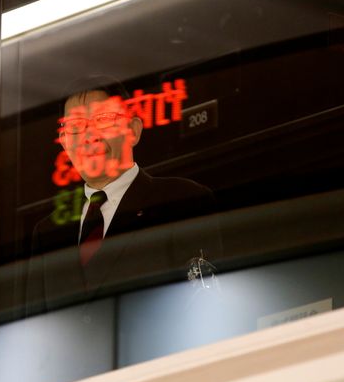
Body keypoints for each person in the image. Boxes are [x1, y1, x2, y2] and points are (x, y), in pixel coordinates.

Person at [28, 77, 220, 310]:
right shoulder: (47, 232)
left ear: (133, 131)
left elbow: (204, 301)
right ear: (65, 143)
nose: (90, 136)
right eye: (76, 127)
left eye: (104, 119)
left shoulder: (182, 200)